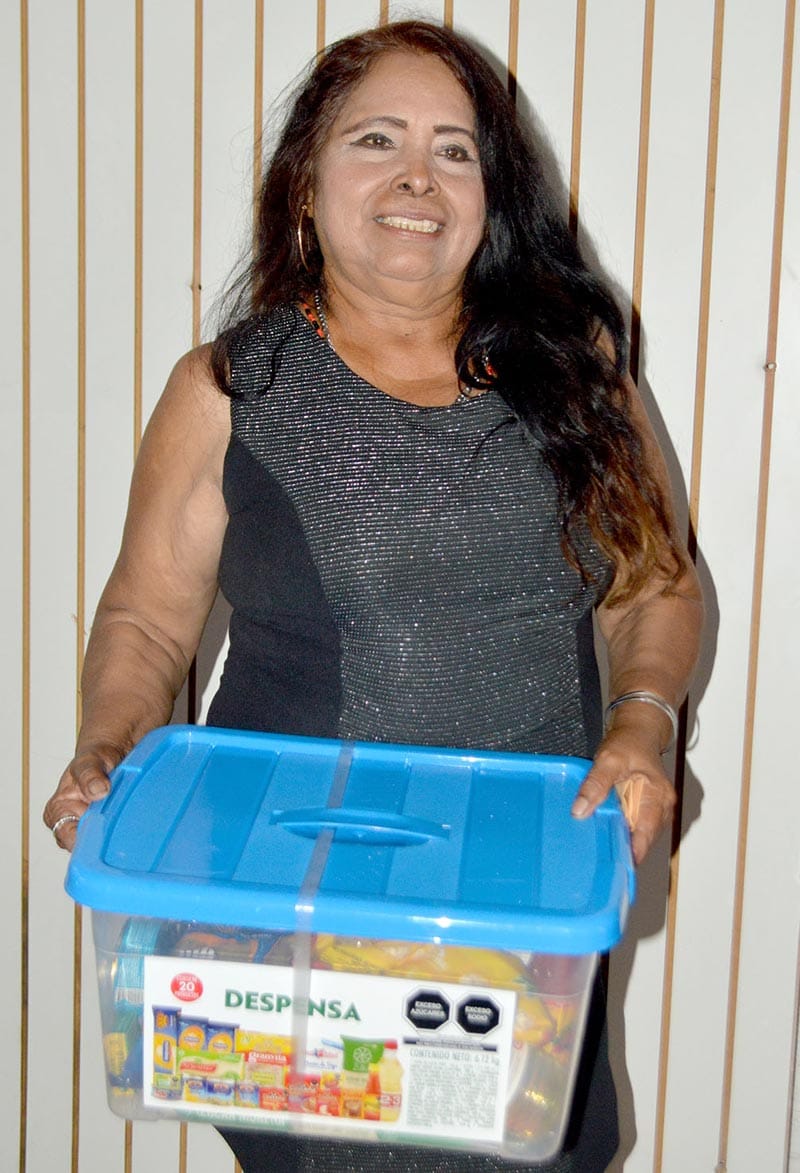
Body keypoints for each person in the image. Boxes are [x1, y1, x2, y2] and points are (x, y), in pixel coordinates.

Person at [44, 19, 703, 1173]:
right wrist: (107, 748)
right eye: (375, 140)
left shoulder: (578, 375)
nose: (416, 177)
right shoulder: (225, 390)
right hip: (285, 916)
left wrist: (641, 722)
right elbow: (146, 621)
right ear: (304, 186)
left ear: (494, 198)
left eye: (455, 151)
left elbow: (655, 584)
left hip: (515, 910)